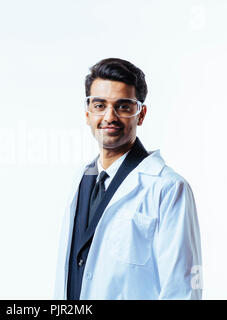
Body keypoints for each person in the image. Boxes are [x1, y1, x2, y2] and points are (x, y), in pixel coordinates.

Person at [54, 58, 203, 300]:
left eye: (123, 106)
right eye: (100, 105)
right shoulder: (83, 179)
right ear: (87, 113)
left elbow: (182, 290)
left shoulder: (168, 188)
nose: (109, 117)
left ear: (140, 114)